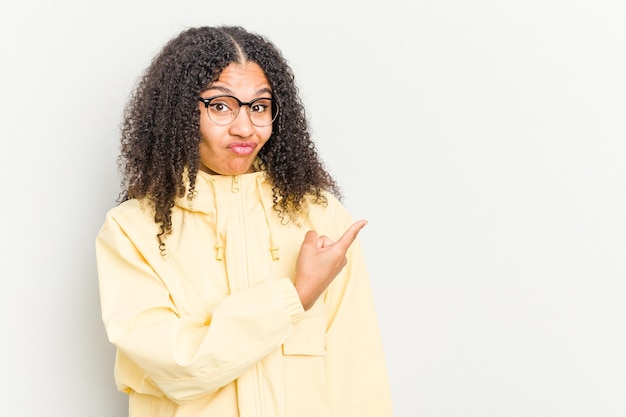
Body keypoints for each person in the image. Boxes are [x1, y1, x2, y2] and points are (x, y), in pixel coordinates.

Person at [95, 25, 393, 417]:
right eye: (221, 106)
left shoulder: (320, 217)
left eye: (259, 106)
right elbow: (178, 366)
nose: (245, 127)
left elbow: (358, 376)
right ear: (181, 111)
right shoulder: (133, 231)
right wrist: (295, 298)